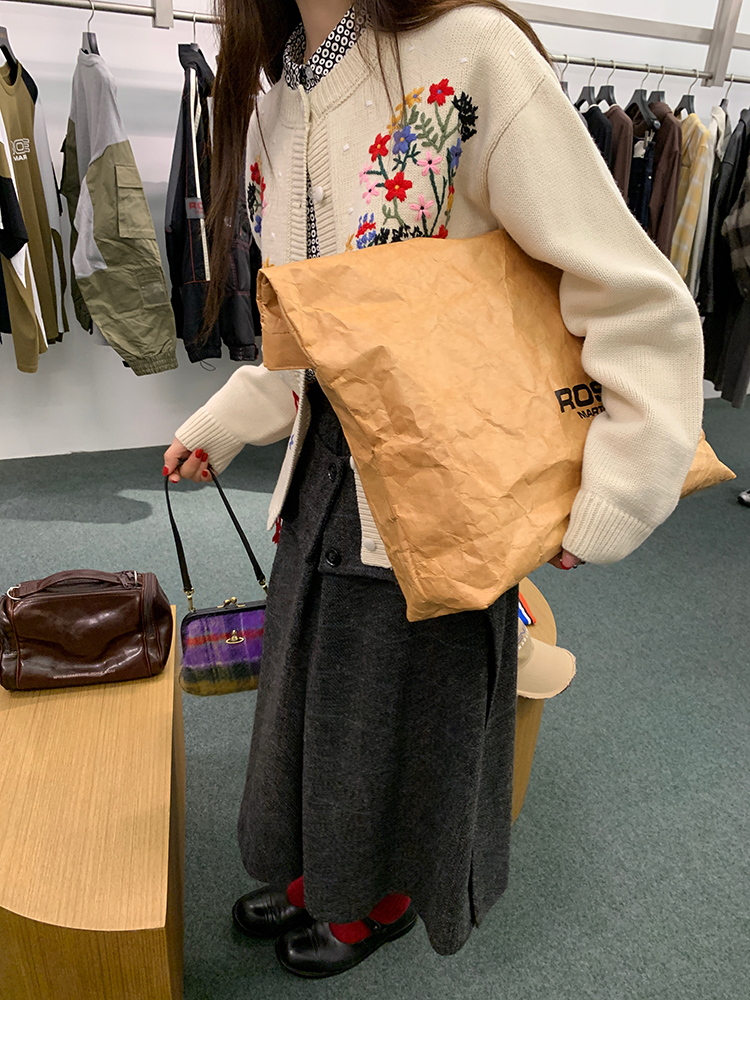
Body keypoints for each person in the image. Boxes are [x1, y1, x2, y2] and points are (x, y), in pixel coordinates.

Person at [163, 0, 704, 978]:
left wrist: (621, 484)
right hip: (323, 477)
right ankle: (323, 876)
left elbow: (632, 290)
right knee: (319, 699)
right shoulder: (282, 96)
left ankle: (376, 903)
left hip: (448, 484)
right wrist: (229, 420)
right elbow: (313, 332)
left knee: (400, 718)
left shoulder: (472, 54)